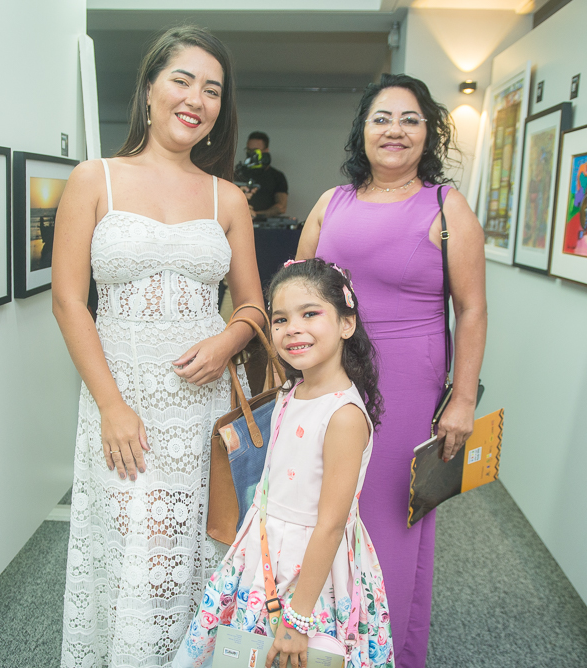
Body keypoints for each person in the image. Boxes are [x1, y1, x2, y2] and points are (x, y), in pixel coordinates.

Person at [51, 26, 263, 668]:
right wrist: (112, 407)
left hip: (202, 414)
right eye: (182, 79)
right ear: (149, 88)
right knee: (130, 556)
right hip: (125, 409)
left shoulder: (229, 198)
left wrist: (228, 339)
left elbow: (255, 306)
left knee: (194, 548)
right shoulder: (97, 180)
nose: (196, 98)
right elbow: (68, 302)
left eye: (212, 90)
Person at [296, 73, 487, 667]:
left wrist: (461, 400)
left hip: (406, 386)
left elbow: (472, 308)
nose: (395, 130)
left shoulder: (446, 206)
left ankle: (378, 653)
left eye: (410, 119)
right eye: (382, 118)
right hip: (331, 376)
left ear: (428, 132)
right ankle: (325, 641)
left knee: (382, 522)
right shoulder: (333, 202)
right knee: (321, 509)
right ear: (364, 130)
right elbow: (297, 285)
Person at [174, 259, 393, 668]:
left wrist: (298, 618)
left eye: (310, 314)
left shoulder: (343, 416)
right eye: (280, 319)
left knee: (294, 653)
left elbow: (330, 524)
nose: (292, 327)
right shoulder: (290, 393)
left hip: (311, 574)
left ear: (347, 324)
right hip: (264, 549)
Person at [240, 131, 288, 218]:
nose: (251, 154)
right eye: (249, 150)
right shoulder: (238, 173)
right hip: (240, 222)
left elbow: (281, 207)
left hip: (266, 228)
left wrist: (255, 215)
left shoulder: (277, 176)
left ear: (266, 151)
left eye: (255, 151)